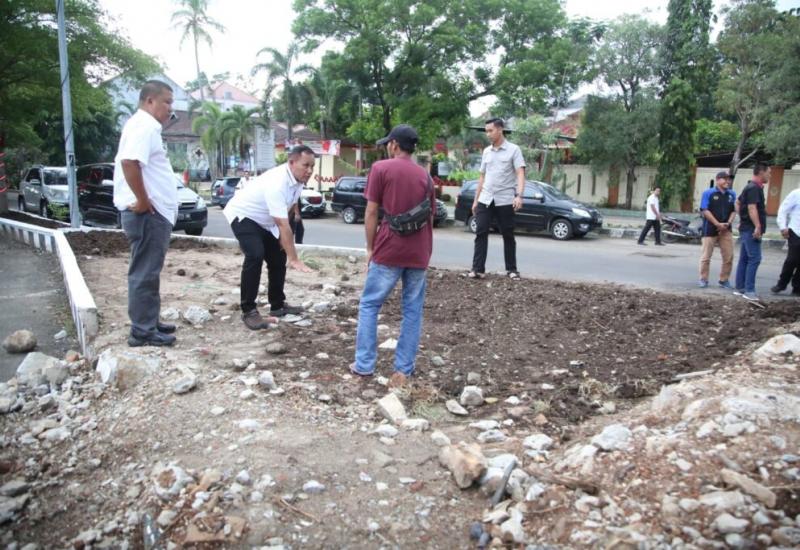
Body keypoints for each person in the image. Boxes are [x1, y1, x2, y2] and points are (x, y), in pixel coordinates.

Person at [351, 124, 434, 387]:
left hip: (388, 248)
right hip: (418, 252)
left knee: (370, 304)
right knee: (412, 311)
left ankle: (364, 365)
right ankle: (403, 370)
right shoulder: (426, 177)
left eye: (388, 143)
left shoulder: (381, 169)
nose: (388, 146)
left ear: (395, 145)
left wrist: (370, 247)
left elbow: (371, 212)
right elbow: (430, 217)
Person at [113, 80, 179, 347]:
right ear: (150, 101)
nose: (170, 108)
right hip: (147, 214)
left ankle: (149, 322)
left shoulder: (143, 125)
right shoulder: (145, 126)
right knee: (144, 272)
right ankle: (142, 331)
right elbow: (130, 162)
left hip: (153, 214)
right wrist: (142, 200)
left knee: (149, 271)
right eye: (167, 102)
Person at [223, 145, 314, 330]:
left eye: (312, 166)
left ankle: (277, 306)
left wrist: (283, 242)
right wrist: (294, 259)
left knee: (278, 257)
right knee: (255, 255)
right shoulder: (277, 182)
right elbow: (282, 224)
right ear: (292, 162)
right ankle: (249, 311)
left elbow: (290, 209)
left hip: (266, 221)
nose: (310, 171)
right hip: (244, 215)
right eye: (306, 165)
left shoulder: (297, 180)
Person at [467, 118, 526, 279]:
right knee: (481, 232)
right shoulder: (486, 151)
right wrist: (475, 200)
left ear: (500, 130)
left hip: (505, 199)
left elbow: (520, 173)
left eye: (490, 130)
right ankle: (477, 269)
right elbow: (482, 177)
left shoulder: (514, 150)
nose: (488, 134)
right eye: (486, 131)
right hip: (485, 199)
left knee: (508, 234)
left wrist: (519, 195)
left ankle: (512, 269)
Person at [734, 162, 770, 302]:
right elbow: (751, 208)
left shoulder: (749, 187)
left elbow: (737, 203)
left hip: (746, 227)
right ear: (761, 172)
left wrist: (742, 218)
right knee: (755, 258)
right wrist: (757, 226)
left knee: (744, 258)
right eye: (768, 172)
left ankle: (740, 288)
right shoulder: (754, 188)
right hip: (750, 229)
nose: (769, 175)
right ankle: (749, 291)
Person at [698, 172, 737, 288]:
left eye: (729, 179)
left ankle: (723, 280)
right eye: (725, 179)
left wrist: (728, 223)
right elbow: (705, 210)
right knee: (706, 256)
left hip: (726, 229)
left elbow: (734, 211)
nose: (727, 181)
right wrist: (717, 224)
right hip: (710, 229)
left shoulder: (732, 194)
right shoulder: (708, 193)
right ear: (718, 180)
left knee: (729, 256)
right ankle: (703, 279)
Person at [771, 187, 800, 296]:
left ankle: (797, 287)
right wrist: (783, 227)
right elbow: (783, 209)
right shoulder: (796, 193)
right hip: (796, 231)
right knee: (792, 260)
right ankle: (782, 284)